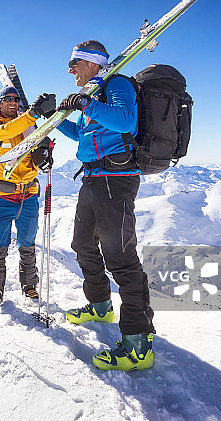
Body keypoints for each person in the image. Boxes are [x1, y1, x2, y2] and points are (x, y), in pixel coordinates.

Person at [56, 40, 155, 372]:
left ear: (93, 64)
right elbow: (84, 134)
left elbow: (126, 121)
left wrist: (87, 103)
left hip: (117, 178)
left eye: (75, 63)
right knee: (82, 244)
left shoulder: (117, 84)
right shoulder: (94, 96)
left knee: (122, 259)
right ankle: (100, 306)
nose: (70, 69)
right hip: (93, 178)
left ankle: (139, 346)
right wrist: (54, 118)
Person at [0, 86, 55, 307]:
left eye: (15, 99)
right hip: (2, 197)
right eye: (8, 99)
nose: (12, 102)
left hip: (28, 195)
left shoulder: (29, 130)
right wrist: (31, 115)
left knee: (28, 245)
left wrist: (44, 156)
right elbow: (7, 132)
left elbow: (37, 154)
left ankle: (30, 287)